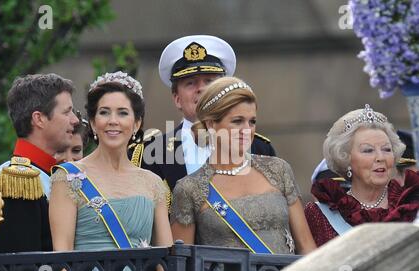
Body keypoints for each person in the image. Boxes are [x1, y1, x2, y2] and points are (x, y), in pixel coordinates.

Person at [49, 71, 173, 271]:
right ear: (94, 124)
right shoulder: (67, 177)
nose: (113, 121)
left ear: (136, 123)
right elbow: (62, 258)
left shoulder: (153, 183)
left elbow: (166, 262)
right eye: (104, 112)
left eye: (123, 113)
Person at [170, 76, 316, 255]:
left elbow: (306, 247)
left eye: (252, 121)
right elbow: (182, 267)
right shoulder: (189, 189)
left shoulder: (278, 169)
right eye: (237, 121)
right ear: (211, 124)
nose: (247, 129)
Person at [128, 35, 276, 197]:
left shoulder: (260, 148)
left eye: (209, 81)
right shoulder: (151, 152)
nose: (201, 89)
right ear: (177, 99)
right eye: (190, 83)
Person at [0, 73, 79, 254]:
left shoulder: (46, 173)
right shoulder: (18, 179)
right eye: (67, 112)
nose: (75, 120)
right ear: (39, 119)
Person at [304, 105, 419, 247]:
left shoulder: (412, 205)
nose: (380, 157)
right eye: (368, 150)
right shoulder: (320, 214)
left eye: (387, 149)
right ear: (346, 159)